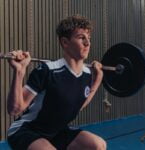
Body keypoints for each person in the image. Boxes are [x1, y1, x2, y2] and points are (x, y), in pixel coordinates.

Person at [7, 15, 106, 150]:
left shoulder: (87, 74)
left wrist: (96, 81)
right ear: (65, 42)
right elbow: (14, 109)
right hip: (28, 130)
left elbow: (78, 105)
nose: (87, 43)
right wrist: (19, 72)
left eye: (89, 38)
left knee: (98, 145)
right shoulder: (47, 71)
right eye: (81, 38)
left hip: (57, 132)